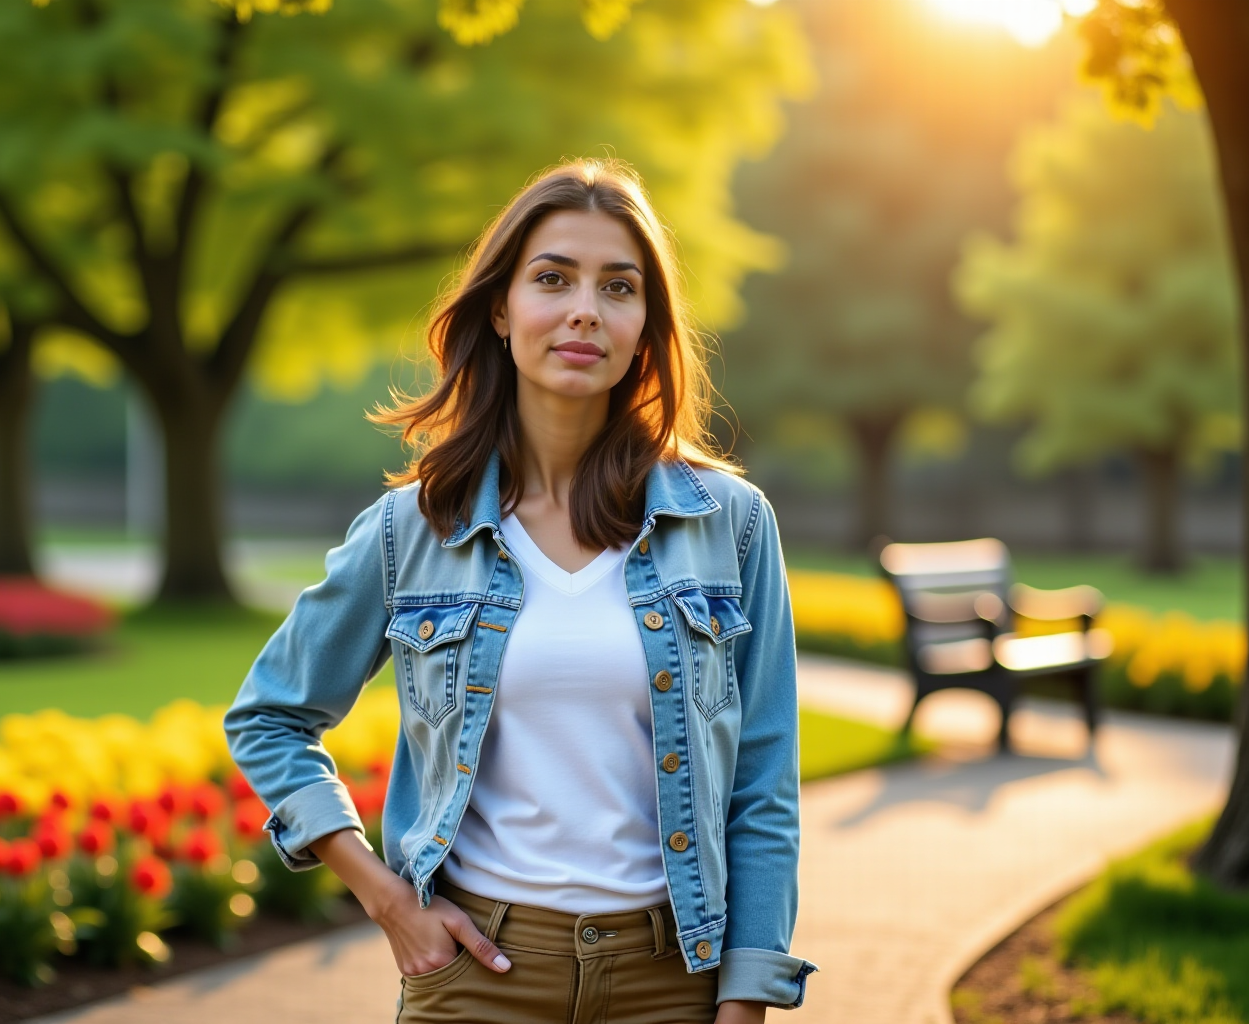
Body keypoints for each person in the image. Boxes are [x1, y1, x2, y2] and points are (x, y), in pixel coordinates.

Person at [224, 159, 814, 1023]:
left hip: (672, 980)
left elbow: (764, 784)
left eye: (619, 286)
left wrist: (747, 997)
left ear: (645, 324)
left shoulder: (732, 524)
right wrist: (387, 901)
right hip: (475, 980)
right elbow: (270, 715)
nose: (585, 308)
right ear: (501, 310)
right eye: (552, 278)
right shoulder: (411, 530)